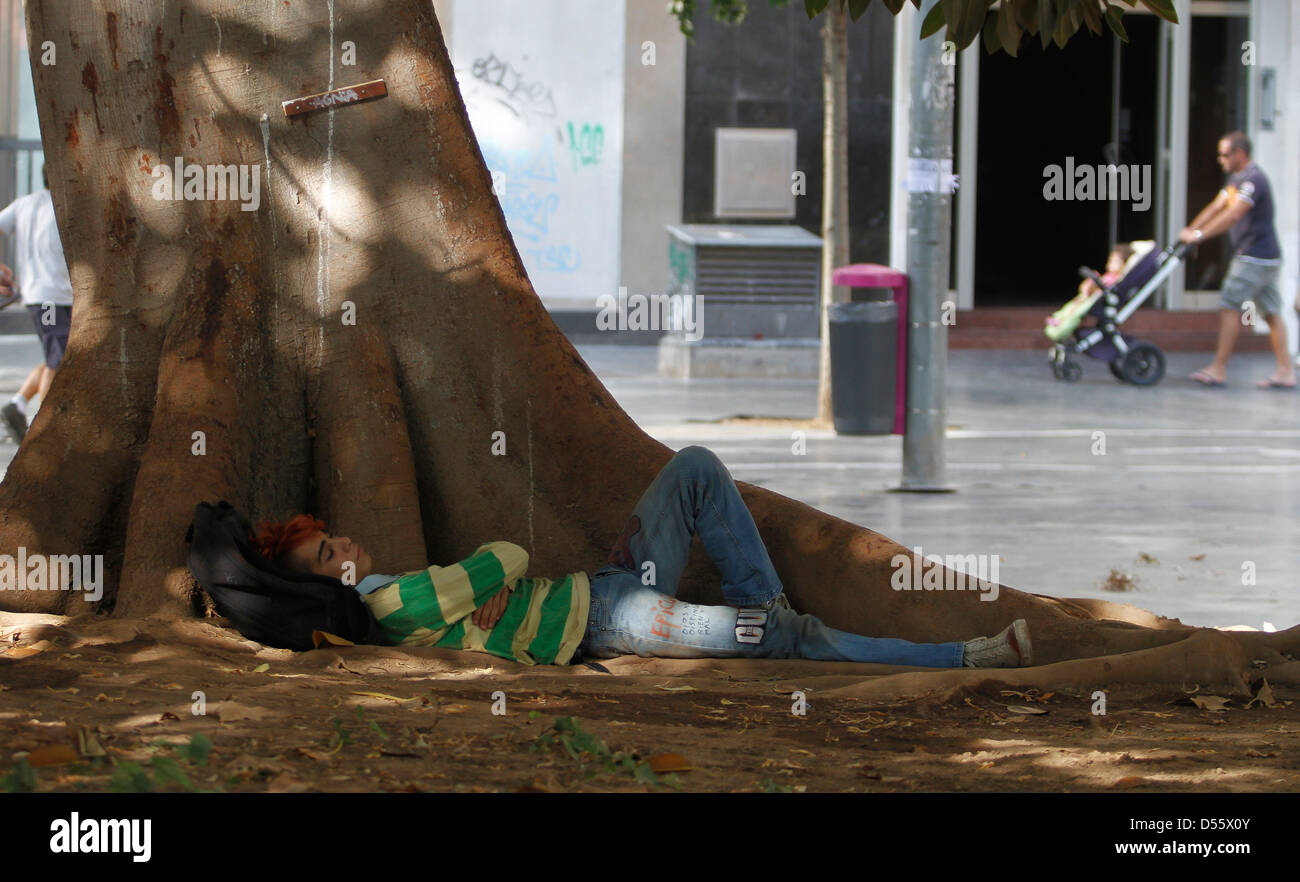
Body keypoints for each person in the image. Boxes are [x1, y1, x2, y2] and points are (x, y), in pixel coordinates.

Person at [254, 446, 1033, 670]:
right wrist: (496, 577)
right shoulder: (394, 604)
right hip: (615, 622)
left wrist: (499, 580)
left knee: (693, 468)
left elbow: (504, 567)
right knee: (789, 640)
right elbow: (507, 551)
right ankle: (966, 656)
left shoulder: (405, 591)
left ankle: (762, 603)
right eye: (330, 554)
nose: (346, 545)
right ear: (328, 584)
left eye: (334, 538)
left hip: (608, 585)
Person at [1179, 132, 1294, 389]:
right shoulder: (1236, 180)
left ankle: (1218, 369)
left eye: (1224, 154)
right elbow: (1217, 206)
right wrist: (1190, 230)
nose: (1220, 159)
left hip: (1254, 257)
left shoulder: (1253, 180)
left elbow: (1233, 214)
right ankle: (1286, 371)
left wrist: (1199, 235)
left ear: (1240, 154)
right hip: (1266, 258)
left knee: (1229, 306)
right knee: (1272, 313)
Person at [0, 167, 74, 441]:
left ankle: (18, 403)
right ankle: (44, 431)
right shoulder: (62, 205)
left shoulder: (24, 204)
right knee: (58, 360)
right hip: (49, 298)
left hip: (58, 295)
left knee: (57, 355)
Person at [1045, 242, 1135, 342]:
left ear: (1124, 264)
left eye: (1115, 261)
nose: (1110, 264)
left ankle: (1063, 325)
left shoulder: (1118, 279)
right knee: (1072, 305)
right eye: (1110, 261)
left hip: (1097, 301)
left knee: (1077, 311)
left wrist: (1095, 284)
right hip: (1090, 296)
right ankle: (1060, 318)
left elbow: (1105, 288)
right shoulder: (1109, 275)